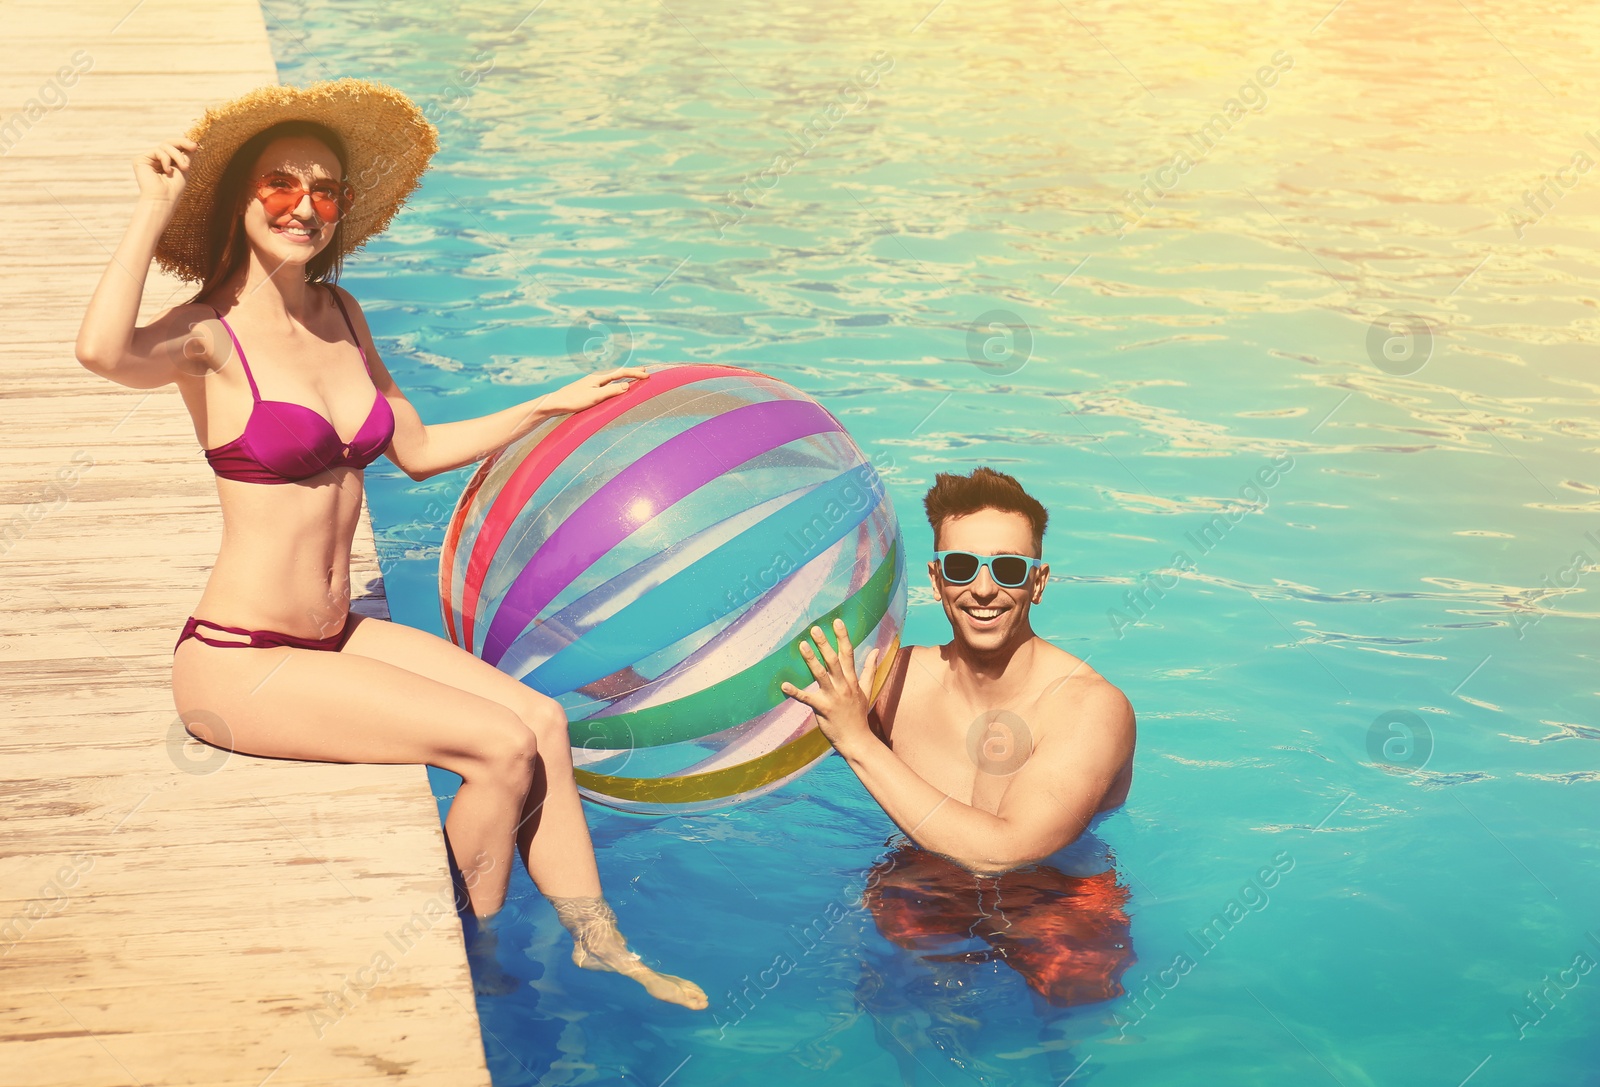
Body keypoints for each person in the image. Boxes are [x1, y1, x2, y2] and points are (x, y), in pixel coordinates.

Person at [73, 78, 705, 1010]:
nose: (306, 206)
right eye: (280, 184)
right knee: (495, 747)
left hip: (331, 635)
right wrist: (150, 209)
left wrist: (548, 403)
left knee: (544, 723)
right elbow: (101, 352)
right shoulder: (207, 336)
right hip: (241, 659)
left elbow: (410, 448)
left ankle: (597, 938)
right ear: (239, 200)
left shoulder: (342, 313)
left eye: (325, 189)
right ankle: (482, 960)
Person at [782, 466, 1136, 875]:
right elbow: (763, 730)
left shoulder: (1090, 708)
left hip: (1052, 903)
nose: (984, 588)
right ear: (936, 580)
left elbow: (1007, 852)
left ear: (1037, 583)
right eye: (961, 566)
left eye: (1008, 569)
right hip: (925, 889)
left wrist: (858, 742)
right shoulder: (893, 681)